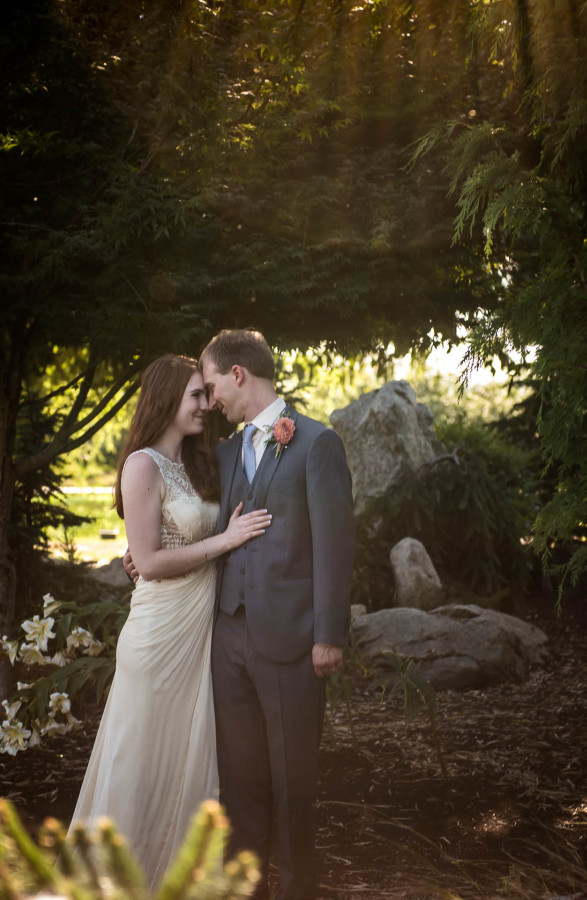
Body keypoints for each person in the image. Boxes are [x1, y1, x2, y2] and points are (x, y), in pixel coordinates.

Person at [69, 354, 271, 889]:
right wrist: (224, 539)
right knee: (141, 767)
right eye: (194, 396)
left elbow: (176, 545)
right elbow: (151, 562)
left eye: (206, 395)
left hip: (196, 634)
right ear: (165, 401)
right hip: (158, 637)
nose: (206, 405)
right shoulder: (141, 465)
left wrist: (218, 538)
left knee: (187, 763)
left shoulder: (195, 465)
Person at [201, 329, 355, 900]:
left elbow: (335, 546)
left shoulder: (316, 444)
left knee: (293, 784)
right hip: (228, 639)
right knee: (239, 782)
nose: (210, 397)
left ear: (238, 374)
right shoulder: (221, 453)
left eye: (212, 383)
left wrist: (329, 634)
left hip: (293, 641)